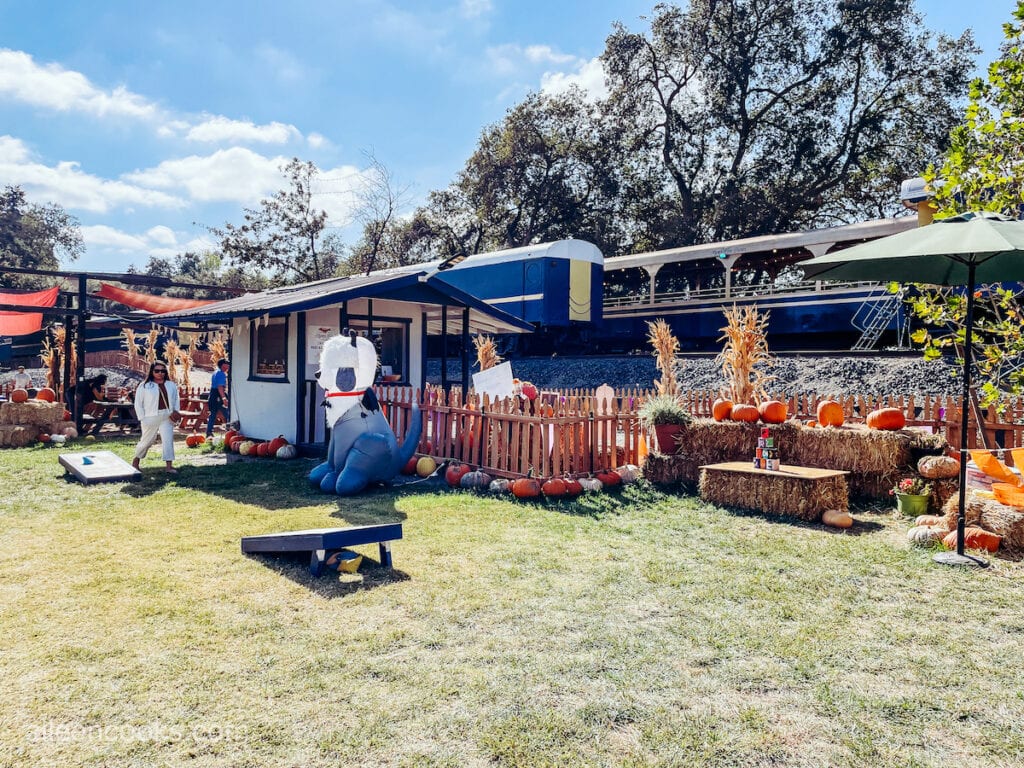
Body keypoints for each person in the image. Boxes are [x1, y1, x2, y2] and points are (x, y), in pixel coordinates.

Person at [132, 361, 181, 473]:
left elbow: (176, 400)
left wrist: (176, 412)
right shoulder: (144, 385)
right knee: (147, 441)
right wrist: (142, 418)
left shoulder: (171, 385)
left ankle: (169, 466)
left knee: (168, 440)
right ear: (152, 371)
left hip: (167, 416)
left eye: (163, 371)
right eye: (157, 371)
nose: (160, 373)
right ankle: (136, 461)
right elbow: (138, 403)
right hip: (150, 417)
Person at [206, 358, 230, 438]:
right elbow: (220, 387)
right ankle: (231, 430)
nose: (229, 365)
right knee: (227, 413)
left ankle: (209, 432)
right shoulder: (221, 374)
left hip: (213, 394)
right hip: (218, 395)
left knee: (212, 414)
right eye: (227, 363)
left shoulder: (216, 372)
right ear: (223, 365)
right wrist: (224, 398)